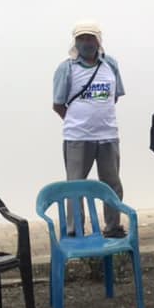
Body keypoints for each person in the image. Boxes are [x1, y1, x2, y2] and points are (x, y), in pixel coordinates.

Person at [52, 21, 126, 238]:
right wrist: (78, 121)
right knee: (75, 186)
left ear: (98, 40)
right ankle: (74, 230)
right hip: (77, 137)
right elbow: (58, 104)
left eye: (90, 38)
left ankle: (113, 227)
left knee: (112, 184)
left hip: (108, 135)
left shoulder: (110, 64)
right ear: (75, 42)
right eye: (82, 38)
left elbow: (114, 97)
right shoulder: (66, 68)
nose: (86, 43)